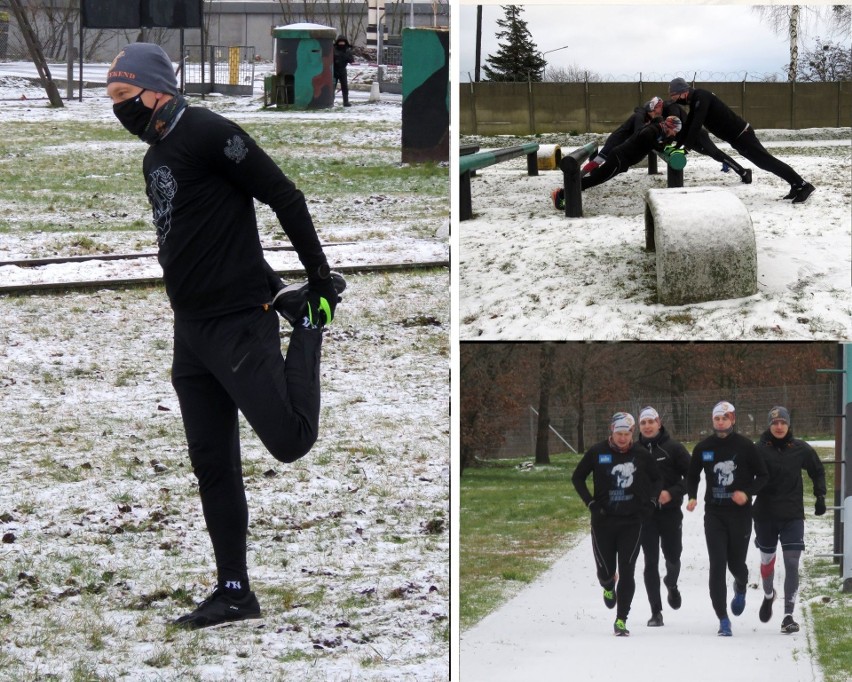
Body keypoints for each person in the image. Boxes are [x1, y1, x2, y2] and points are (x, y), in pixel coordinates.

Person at [106, 43, 344, 629]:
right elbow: (212, 234)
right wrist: (274, 280)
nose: (118, 109)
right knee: (213, 464)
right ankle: (234, 591)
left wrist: (314, 280)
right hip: (191, 333)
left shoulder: (212, 132)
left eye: (123, 97)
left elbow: (283, 195)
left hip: (238, 321)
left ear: (156, 89)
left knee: (289, 440)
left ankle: (309, 329)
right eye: (112, 99)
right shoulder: (156, 154)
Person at [572, 412, 661, 637]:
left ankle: (621, 620)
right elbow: (577, 477)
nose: (623, 438)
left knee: (628, 570)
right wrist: (591, 503)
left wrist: (650, 502)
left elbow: (657, 479)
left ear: (632, 434)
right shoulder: (597, 452)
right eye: (619, 433)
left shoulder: (641, 453)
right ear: (611, 431)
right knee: (606, 571)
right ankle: (608, 585)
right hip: (603, 520)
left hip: (632, 521)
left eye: (627, 434)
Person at [686, 401, 768, 637]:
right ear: (712, 421)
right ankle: (723, 618)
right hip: (714, 514)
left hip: (740, 515)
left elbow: (763, 475)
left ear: (732, 419)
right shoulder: (704, 448)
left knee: (736, 565)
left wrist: (747, 493)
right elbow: (692, 476)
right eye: (716, 418)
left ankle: (741, 584)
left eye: (724, 418)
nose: (720, 422)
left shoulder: (746, 446)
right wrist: (692, 496)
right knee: (718, 564)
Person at [668, 77, 814, 203]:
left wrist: (685, 148)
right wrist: (679, 146)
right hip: (737, 139)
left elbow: (696, 125)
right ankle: (795, 185)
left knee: (767, 161)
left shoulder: (701, 96)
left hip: (743, 135)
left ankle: (803, 185)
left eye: (674, 96)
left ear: (683, 92)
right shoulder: (695, 101)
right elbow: (688, 127)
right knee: (765, 163)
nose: (674, 100)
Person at [753, 406, 827, 634]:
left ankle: (788, 615)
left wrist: (820, 496)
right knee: (767, 561)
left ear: (788, 425)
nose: (778, 426)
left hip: (792, 515)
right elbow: (744, 474)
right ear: (769, 425)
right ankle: (768, 594)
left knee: (792, 562)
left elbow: (817, 470)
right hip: (765, 514)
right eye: (774, 423)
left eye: (783, 422)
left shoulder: (800, 448)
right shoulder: (758, 449)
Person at [583, 97, 752, 183]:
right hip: (688, 139)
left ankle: (743, 172)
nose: (657, 115)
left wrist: (665, 142)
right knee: (713, 154)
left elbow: (675, 126)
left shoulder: (671, 109)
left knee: (715, 153)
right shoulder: (656, 113)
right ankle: (734, 167)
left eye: (657, 110)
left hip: (697, 136)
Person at [551, 115, 683, 208]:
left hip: (620, 158)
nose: (675, 134)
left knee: (596, 178)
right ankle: (561, 194)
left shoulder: (659, 129)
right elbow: (651, 141)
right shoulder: (652, 131)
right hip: (620, 159)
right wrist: (658, 143)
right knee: (596, 180)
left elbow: (660, 142)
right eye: (675, 131)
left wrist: (665, 140)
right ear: (669, 126)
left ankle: (563, 192)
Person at [636, 406, 690, 627]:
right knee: (650, 562)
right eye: (643, 423)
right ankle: (655, 612)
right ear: (639, 427)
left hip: (670, 513)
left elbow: (692, 477)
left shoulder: (674, 448)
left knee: (673, 557)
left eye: (651, 422)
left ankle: (671, 583)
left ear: (659, 423)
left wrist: (672, 493)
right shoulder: (633, 449)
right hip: (645, 516)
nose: (647, 426)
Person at [333, 35, 355, 107]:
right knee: (332, 87)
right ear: (337, 42)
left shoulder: (347, 51)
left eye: (343, 42)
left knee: (344, 87)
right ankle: (330, 101)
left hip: (342, 70)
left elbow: (351, 60)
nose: (342, 44)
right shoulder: (334, 49)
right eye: (340, 42)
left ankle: (346, 102)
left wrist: (349, 54)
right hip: (334, 71)